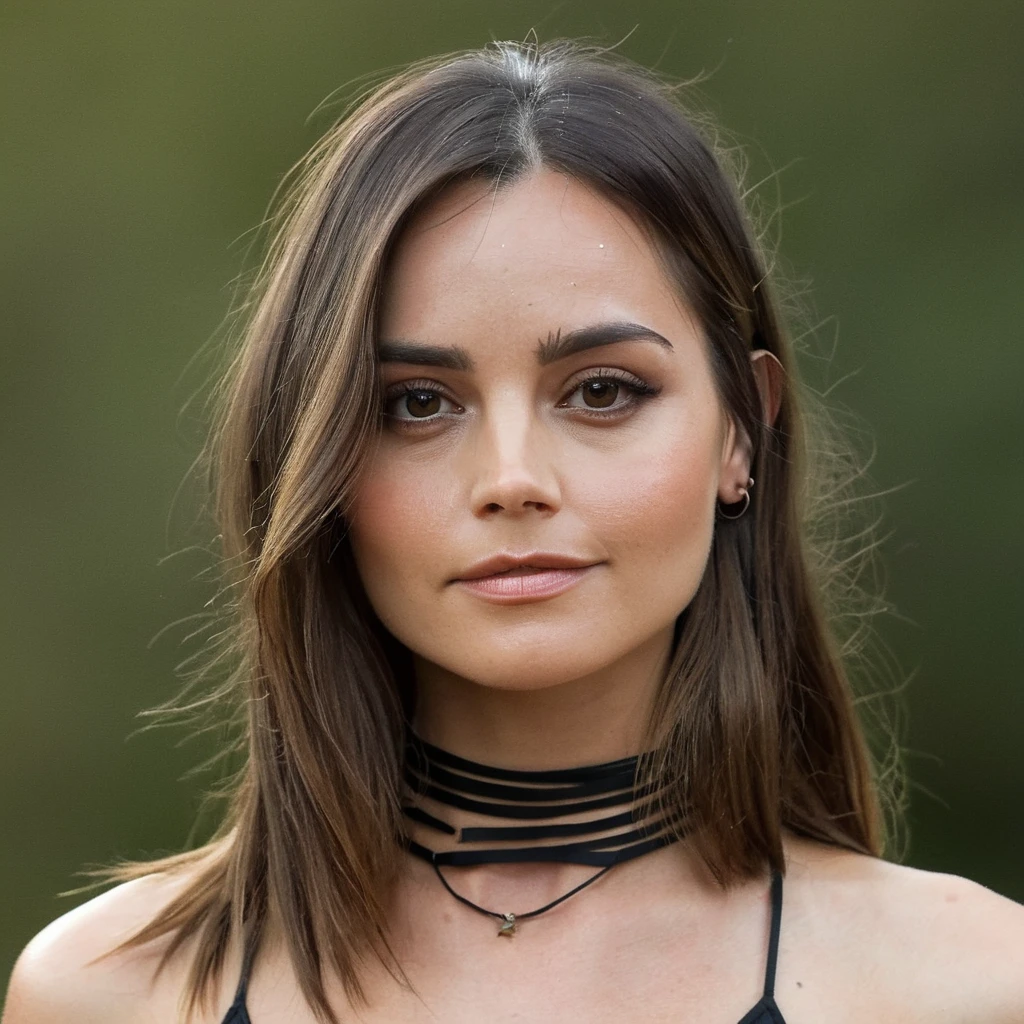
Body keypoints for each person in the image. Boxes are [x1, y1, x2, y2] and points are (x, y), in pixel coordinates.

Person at [4, 37, 1023, 1024]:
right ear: (314, 458)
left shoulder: (971, 988)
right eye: (414, 404)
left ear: (741, 431)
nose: (511, 480)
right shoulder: (110, 995)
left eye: (602, 391)